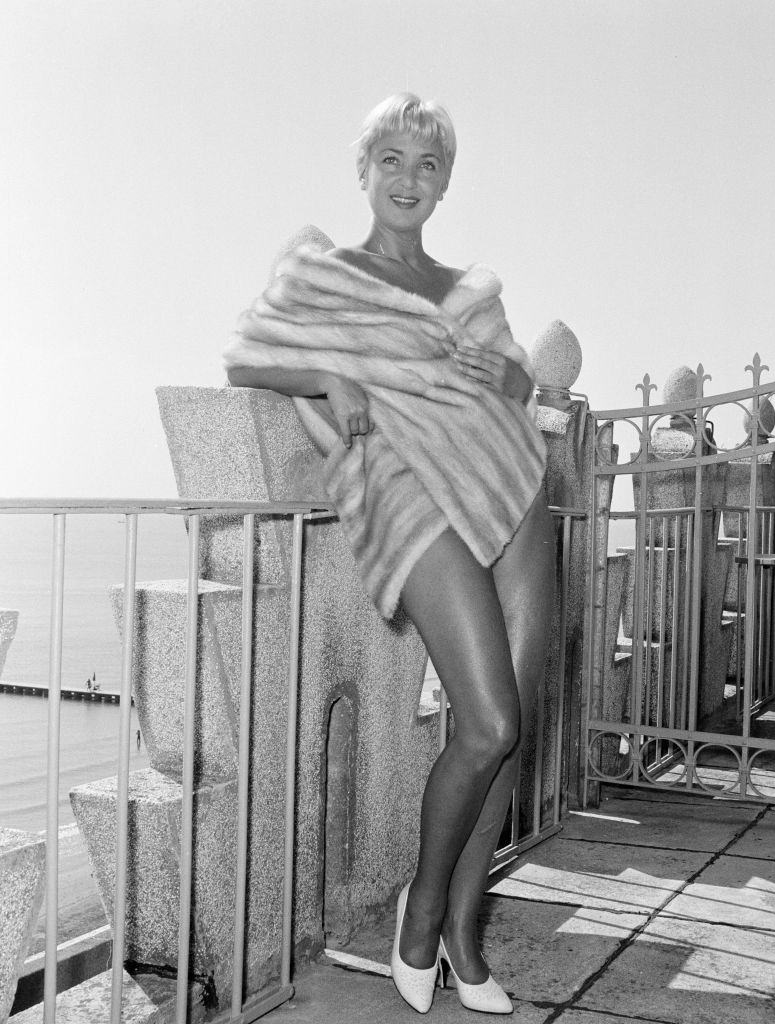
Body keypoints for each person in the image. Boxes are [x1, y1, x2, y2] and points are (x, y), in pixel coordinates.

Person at [225, 93, 554, 1015]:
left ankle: (463, 938)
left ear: (445, 182)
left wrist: (521, 376)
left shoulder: (473, 289)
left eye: (428, 165)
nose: (409, 180)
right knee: (487, 721)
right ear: (364, 171)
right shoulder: (329, 277)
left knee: (509, 739)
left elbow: (522, 386)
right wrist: (324, 374)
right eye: (393, 161)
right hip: (409, 497)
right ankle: (420, 912)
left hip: (517, 485)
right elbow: (242, 355)